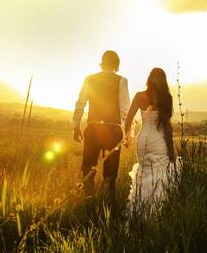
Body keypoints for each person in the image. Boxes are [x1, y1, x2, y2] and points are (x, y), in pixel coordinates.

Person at [73, 50, 130, 197]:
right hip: (113, 130)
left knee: (88, 167)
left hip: (93, 128)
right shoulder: (122, 81)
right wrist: (127, 133)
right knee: (111, 172)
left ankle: (88, 198)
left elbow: (80, 103)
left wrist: (76, 126)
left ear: (102, 62)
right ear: (116, 64)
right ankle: (108, 201)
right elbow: (125, 109)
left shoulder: (89, 79)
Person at [124, 67, 180, 217]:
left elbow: (128, 120)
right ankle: (155, 213)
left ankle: (139, 210)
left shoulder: (139, 96)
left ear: (149, 79)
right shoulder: (167, 98)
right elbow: (167, 126)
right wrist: (171, 149)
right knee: (158, 174)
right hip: (159, 139)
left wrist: (127, 137)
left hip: (142, 140)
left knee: (144, 172)